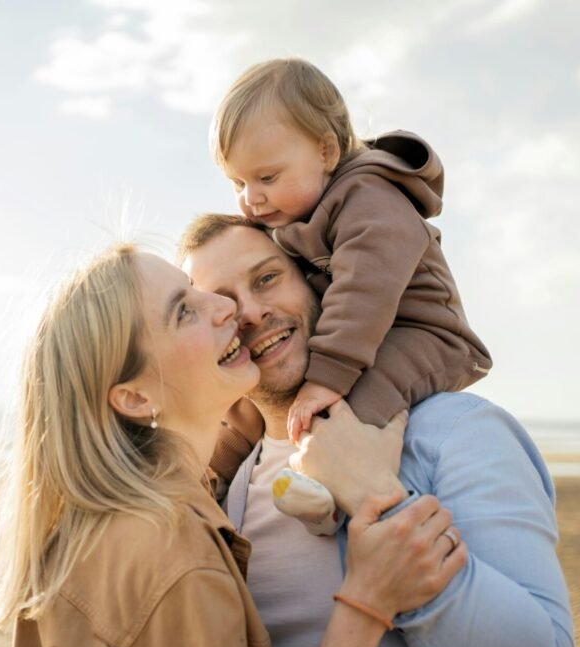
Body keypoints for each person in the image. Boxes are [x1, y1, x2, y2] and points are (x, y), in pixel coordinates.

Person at [0, 244, 469, 647]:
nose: (226, 307)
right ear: (132, 397)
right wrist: (368, 601)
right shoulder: (170, 556)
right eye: (184, 312)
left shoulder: (97, 523)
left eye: (192, 289)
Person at [180, 218, 575, 647]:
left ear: (318, 284)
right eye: (222, 305)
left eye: (267, 278)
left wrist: (375, 498)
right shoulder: (228, 491)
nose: (249, 312)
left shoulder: (455, 431)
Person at [207, 58, 492, 534]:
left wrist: (327, 377)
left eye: (267, 178)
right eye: (238, 183)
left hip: (425, 335)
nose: (250, 199)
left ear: (325, 150)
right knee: (258, 393)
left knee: (356, 401)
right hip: (364, 339)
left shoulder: (370, 197)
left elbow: (364, 290)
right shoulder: (293, 217)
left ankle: (329, 496)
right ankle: (209, 472)